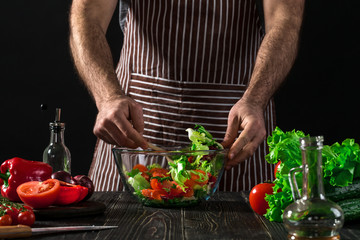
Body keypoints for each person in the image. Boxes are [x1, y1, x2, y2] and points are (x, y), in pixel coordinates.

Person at [69, 0, 304, 192]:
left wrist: (255, 100)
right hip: (139, 117)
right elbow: (87, 15)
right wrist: (108, 97)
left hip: (237, 121)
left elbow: (285, 20)